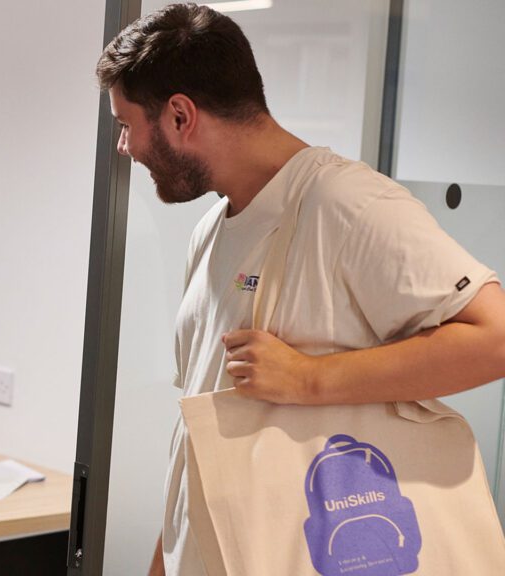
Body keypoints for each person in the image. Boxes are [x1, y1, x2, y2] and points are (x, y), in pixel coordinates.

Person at [96, 4, 505, 575]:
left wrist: (309, 379)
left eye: (125, 124)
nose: (125, 148)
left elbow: (495, 338)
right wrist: (167, 559)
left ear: (181, 115)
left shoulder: (347, 204)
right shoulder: (212, 232)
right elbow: (201, 432)